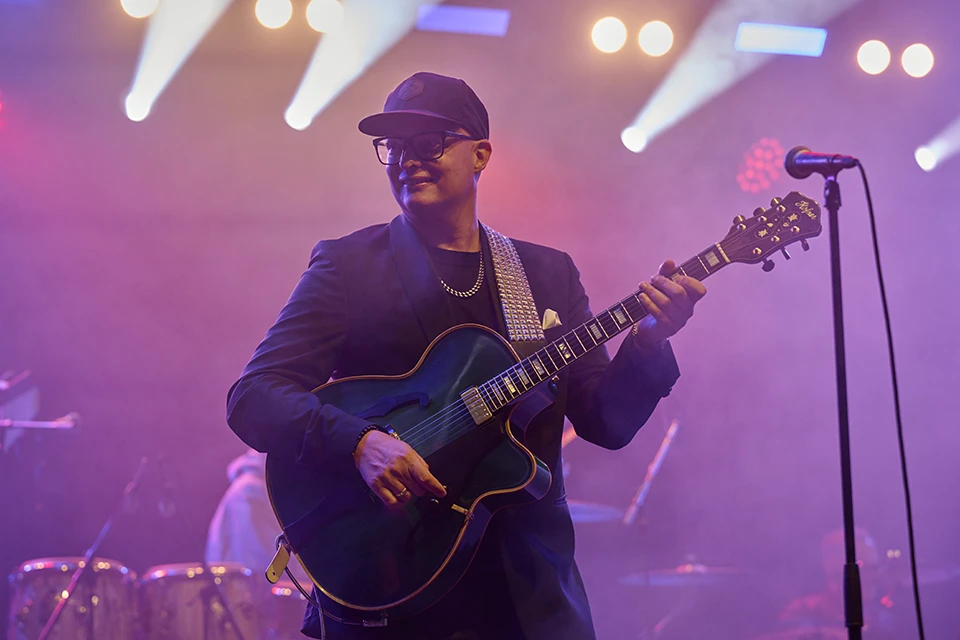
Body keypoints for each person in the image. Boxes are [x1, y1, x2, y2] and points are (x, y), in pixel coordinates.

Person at [226, 71, 706, 639]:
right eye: (393, 147)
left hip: (528, 596)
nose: (407, 160)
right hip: (389, 584)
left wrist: (648, 342)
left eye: (428, 143)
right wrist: (360, 442)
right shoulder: (347, 266)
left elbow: (607, 422)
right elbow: (252, 397)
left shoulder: (545, 274)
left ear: (480, 155)